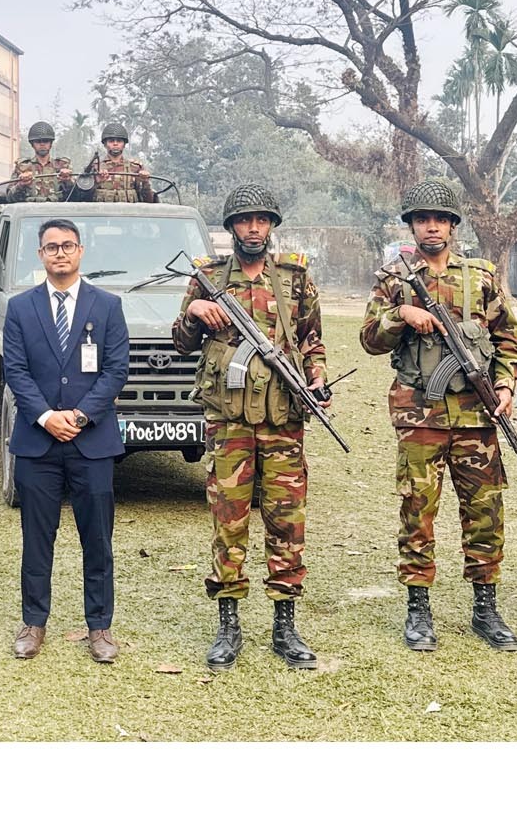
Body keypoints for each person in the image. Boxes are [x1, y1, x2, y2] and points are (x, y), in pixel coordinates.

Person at [358, 179, 517, 652]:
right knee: (418, 510)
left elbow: (511, 340)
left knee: (485, 512)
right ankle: (418, 610)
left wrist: (506, 383)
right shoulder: (394, 279)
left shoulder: (480, 276)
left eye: (440, 219)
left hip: (477, 417)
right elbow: (370, 339)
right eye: (422, 219)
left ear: (453, 225)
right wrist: (401, 316)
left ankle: (485, 608)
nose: (431, 226)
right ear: (411, 225)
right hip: (420, 416)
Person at [172, 183, 326, 671]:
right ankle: (228, 623)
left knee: (286, 520)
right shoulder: (208, 277)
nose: (253, 228)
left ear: (272, 225)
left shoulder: (295, 279)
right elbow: (181, 343)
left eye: (261, 220)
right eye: (244, 220)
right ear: (231, 227)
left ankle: (285, 623)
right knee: (229, 519)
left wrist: (318, 378)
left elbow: (313, 342)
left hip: (283, 420)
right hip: (230, 422)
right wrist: (195, 311)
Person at [2, 218, 131, 662]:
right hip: (37, 444)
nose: (60, 253)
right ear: (40, 254)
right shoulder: (20, 308)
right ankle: (33, 623)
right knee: (37, 539)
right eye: (51, 246)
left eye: (68, 245)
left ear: (80, 251)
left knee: (97, 539)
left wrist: (77, 415)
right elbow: (15, 370)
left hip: (91, 442)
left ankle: (100, 628)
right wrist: (44, 416)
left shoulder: (108, 305)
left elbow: (116, 370)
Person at [79, 123, 157, 204]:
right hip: (101, 214)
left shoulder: (135, 168)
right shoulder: (94, 167)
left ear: (124, 145)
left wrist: (145, 182)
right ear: (105, 144)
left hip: (128, 214)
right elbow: (82, 198)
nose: (115, 144)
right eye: (111, 141)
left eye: (119, 141)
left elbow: (149, 201)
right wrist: (96, 182)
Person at [8, 121, 73, 202]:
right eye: (38, 141)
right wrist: (21, 185)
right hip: (29, 212)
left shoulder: (62, 166)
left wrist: (68, 181)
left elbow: (75, 196)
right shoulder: (22, 167)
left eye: (45, 141)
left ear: (50, 143)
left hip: (57, 212)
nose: (42, 144)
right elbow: (9, 197)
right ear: (32, 144)